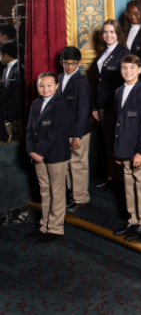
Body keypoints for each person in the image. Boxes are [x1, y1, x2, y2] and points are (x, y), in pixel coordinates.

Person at [113, 55, 141, 241]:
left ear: (139, 70)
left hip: (140, 150)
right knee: (129, 186)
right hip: (124, 148)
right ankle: (133, 218)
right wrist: (117, 150)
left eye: (132, 67)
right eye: (124, 68)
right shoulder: (118, 92)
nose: (128, 71)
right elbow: (118, 123)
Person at [25, 72, 70, 243]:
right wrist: (31, 150)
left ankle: (55, 229)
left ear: (57, 86)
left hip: (55, 153)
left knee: (56, 190)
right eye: (41, 86)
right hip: (37, 154)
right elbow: (29, 129)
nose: (45, 89)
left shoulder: (61, 104)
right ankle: (44, 226)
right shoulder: (36, 104)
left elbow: (55, 130)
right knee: (44, 190)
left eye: (49, 85)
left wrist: (40, 151)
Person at [92, 19, 130, 188]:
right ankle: (111, 176)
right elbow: (96, 83)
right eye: (105, 32)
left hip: (116, 106)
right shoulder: (102, 54)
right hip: (102, 106)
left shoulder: (123, 53)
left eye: (111, 32)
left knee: (119, 142)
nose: (108, 35)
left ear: (118, 34)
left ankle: (121, 178)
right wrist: (95, 106)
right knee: (107, 142)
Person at [58, 46, 91, 214]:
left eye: (72, 63)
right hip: (63, 131)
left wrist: (78, 136)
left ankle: (81, 198)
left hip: (78, 131)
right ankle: (73, 195)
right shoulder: (58, 78)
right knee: (66, 165)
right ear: (61, 63)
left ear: (79, 63)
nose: (69, 66)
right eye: (66, 63)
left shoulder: (82, 82)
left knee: (78, 164)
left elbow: (84, 111)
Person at [0, 40, 24, 141]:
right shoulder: (5, 69)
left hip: (15, 115)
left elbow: (19, 95)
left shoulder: (19, 70)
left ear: (5, 55)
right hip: (7, 113)